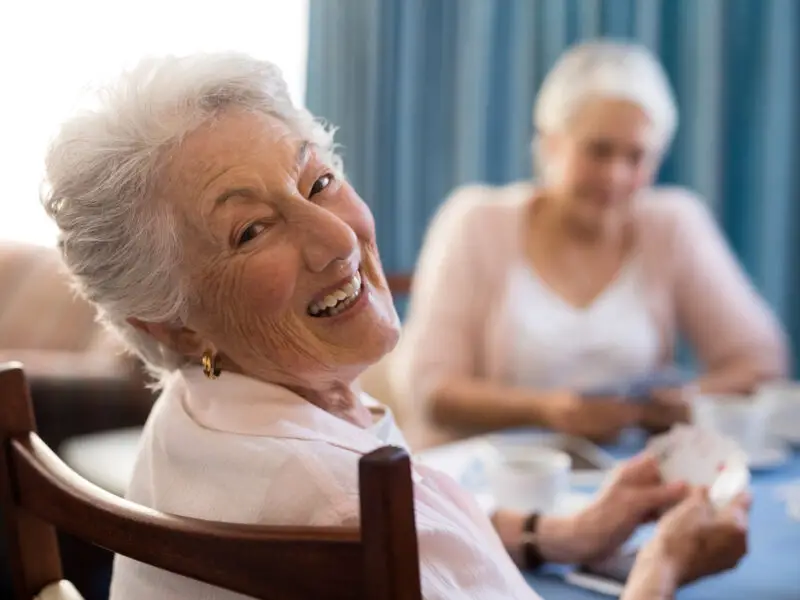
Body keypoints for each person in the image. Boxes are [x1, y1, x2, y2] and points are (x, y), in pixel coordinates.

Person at [43, 52, 749, 600]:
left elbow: (415, 533)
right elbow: (377, 520)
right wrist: (664, 563)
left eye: (317, 182)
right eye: (252, 231)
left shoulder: (202, 406)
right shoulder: (338, 503)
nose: (337, 240)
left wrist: (559, 532)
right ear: (174, 325)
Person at [392, 40, 787, 450]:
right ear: (551, 145)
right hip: (496, 480)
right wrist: (545, 410)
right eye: (598, 151)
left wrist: (691, 400)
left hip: (631, 475)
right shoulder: (474, 221)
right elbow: (429, 391)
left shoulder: (673, 223)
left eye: (636, 157)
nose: (615, 175)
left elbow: (760, 361)